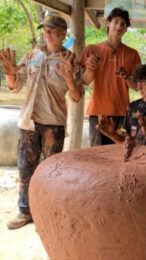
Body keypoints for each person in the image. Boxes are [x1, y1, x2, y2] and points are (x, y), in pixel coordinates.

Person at [0, 15, 83, 230]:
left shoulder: (69, 60)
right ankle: (25, 211)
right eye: (45, 29)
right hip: (28, 122)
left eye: (52, 29)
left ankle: (49, 211)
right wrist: (10, 73)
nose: (47, 32)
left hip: (52, 123)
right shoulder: (32, 55)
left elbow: (76, 96)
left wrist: (70, 79)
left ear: (63, 33)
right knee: (25, 168)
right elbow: (15, 85)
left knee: (52, 170)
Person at [80, 7, 141, 147]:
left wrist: (127, 77)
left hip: (123, 114)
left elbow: (136, 87)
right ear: (108, 23)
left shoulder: (133, 54)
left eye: (123, 24)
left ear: (126, 29)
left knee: (121, 154)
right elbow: (85, 81)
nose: (119, 26)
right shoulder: (92, 49)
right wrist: (90, 69)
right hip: (98, 113)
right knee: (98, 157)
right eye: (116, 22)